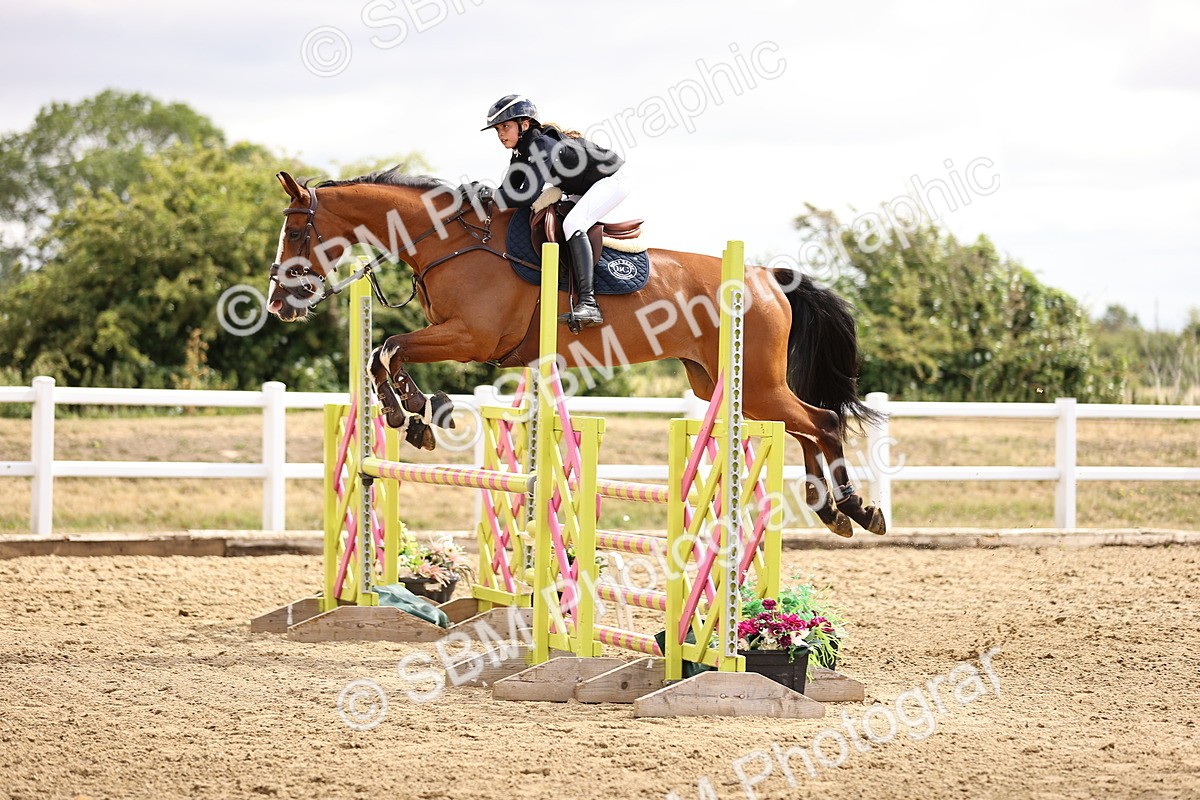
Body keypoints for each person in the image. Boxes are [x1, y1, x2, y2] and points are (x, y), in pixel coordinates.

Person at [481, 94, 628, 329]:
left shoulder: (542, 144)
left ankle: (589, 303)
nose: (500, 134)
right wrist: (475, 195)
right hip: (583, 188)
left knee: (573, 224)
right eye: (497, 129)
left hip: (610, 181)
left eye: (505, 126)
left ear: (525, 124)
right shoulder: (521, 152)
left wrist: (488, 194)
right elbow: (506, 192)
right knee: (562, 221)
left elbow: (527, 195)